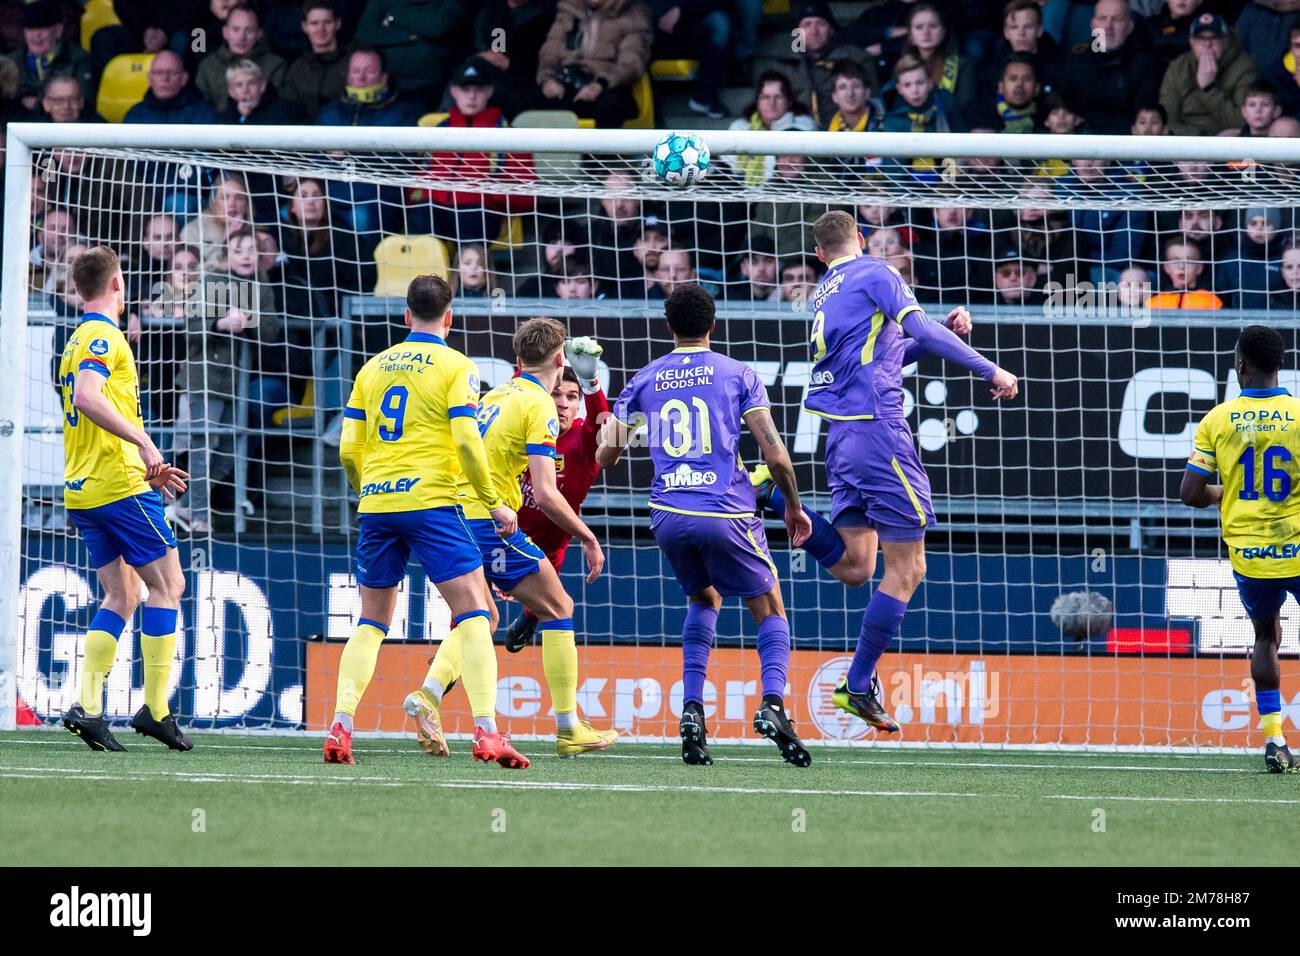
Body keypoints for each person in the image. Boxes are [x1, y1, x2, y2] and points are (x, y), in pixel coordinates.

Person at [751, 210, 1017, 732]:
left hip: (842, 438)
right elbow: (912, 329)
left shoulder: (826, 290)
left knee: (856, 567)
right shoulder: (878, 272)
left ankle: (772, 496)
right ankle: (856, 685)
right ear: (864, 240)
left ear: (820, 254)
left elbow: (892, 350)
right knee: (908, 568)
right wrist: (991, 367)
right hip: (878, 431)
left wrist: (939, 330)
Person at [596, 286, 815, 766]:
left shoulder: (646, 377)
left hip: (669, 514)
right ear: (713, 325)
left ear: (669, 327)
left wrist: (609, 420)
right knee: (770, 605)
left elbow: (606, 455)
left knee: (703, 598)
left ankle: (692, 711)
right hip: (724, 510)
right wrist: (794, 507)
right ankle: (774, 705)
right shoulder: (738, 374)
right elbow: (776, 454)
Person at [328, 274, 526, 768]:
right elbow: (465, 440)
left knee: (371, 621)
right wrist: (493, 500)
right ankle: (487, 732)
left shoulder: (372, 368)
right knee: (476, 613)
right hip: (433, 503)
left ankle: (340, 726)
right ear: (450, 316)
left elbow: (348, 447)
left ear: (406, 316)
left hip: (376, 504)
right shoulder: (457, 365)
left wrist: (367, 490)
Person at [408, 318, 617, 758]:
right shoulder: (538, 406)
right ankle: (568, 728)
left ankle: (428, 693)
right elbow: (545, 494)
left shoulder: (495, 394)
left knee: (480, 615)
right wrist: (588, 536)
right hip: (488, 520)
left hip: (447, 513)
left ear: (518, 360)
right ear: (561, 361)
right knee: (559, 605)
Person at [56, 246, 192, 753]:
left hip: (86, 487)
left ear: (77, 288)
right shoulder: (101, 335)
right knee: (169, 585)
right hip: (118, 487)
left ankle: (89, 708)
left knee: (124, 595)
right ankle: (156, 710)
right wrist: (145, 445)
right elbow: (87, 397)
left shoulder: (74, 340)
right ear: (117, 284)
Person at [1181, 325, 1300, 773]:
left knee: (1266, 637)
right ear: (1280, 365)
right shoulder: (1299, 414)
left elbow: (1190, 493)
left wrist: (1222, 492)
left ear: (1239, 364)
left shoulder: (1218, 419)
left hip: (1250, 556)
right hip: (1297, 546)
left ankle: (1275, 740)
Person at [503, 338, 609, 651]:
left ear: (578, 406)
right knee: (474, 604)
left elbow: (601, 424)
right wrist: (528, 359)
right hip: (504, 528)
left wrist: (591, 382)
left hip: (550, 544)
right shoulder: (523, 423)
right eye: (556, 394)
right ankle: (447, 665)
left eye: (572, 397)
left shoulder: (582, 439)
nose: (562, 403)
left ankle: (530, 615)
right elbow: (517, 390)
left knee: (554, 608)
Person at [536, 0, 654, 128]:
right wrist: (547, 80)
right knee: (530, 103)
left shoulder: (634, 16)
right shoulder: (568, 10)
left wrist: (599, 85)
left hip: (608, 85)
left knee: (609, 107)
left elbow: (631, 63)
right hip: (566, 82)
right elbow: (549, 53)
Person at [1057, 0, 1160, 134]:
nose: (1108, 26)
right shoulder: (1075, 59)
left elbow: (1140, 118)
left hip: (1126, 144)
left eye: (1116, 19)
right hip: (1080, 142)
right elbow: (1066, 109)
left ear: (1129, 27)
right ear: (1093, 24)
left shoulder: (1146, 64)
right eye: (1102, 18)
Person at [1160, 12, 1258, 136]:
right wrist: (1201, 140)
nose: (1207, 45)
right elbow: (1166, 119)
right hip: (1186, 142)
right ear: (1191, 42)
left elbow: (1243, 121)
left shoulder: (1244, 68)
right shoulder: (1178, 67)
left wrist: (1209, 89)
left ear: (1225, 40)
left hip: (1227, 144)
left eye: (1214, 38)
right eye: (1201, 39)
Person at [355, 0, 472, 103]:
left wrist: (393, 17)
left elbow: (437, 27)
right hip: (384, 80)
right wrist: (409, 36)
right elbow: (365, 32)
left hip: (425, 82)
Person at [196, 4, 288, 112]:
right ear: (225, 33)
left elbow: (278, 106)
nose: (242, 37)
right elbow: (201, 108)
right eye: (236, 29)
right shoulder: (208, 66)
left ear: (259, 34)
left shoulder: (275, 65)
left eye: (249, 30)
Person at [8, 0, 94, 114]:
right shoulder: (11, 61)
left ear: (58, 30)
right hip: (17, 124)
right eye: (30, 29)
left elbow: (85, 102)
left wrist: (30, 101)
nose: (36, 35)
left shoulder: (80, 59)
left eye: (43, 28)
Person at [316, 47, 422, 126]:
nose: (361, 78)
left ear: (384, 77)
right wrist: (328, 154)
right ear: (348, 76)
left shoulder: (404, 115)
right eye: (356, 71)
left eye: (370, 71)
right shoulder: (327, 114)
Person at [282, 0, 349, 119]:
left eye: (327, 22)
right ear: (305, 27)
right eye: (314, 23)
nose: (321, 29)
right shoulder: (297, 69)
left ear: (337, 24)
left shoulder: (353, 63)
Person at [124, 49, 219, 125]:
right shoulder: (135, 115)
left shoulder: (203, 115)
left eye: (172, 73)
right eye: (159, 73)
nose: (165, 78)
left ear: (184, 79)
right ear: (150, 78)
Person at [220, 59, 296, 124]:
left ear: (262, 86)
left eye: (251, 83)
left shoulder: (283, 111)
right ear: (231, 91)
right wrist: (239, 116)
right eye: (239, 85)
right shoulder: (225, 118)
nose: (245, 90)